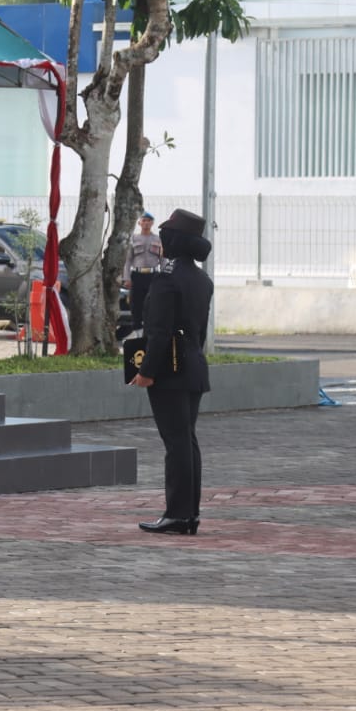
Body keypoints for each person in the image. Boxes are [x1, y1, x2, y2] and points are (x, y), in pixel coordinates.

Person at [130, 209, 214, 535]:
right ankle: (189, 513)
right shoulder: (202, 280)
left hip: (169, 372)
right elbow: (198, 333)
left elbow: (160, 332)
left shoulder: (167, 279)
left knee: (176, 444)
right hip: (193, 367)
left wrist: (146, 371)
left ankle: (178, 514)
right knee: (187, 441)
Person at [122, 211, 164, 332]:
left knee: (153, 304)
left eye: (149, 221)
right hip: (137, 276)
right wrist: (127, 278)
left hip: (153, 276)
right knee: (136, 305)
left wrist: (164, 277)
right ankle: (138, 333)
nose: (146, 223)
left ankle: (150, 333)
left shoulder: (158, 239)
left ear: (152, 223)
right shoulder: (133, 239)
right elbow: (128, 260)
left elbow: (163, 259)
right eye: (144, 220)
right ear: (139, 223)